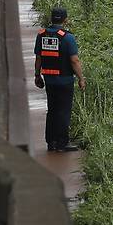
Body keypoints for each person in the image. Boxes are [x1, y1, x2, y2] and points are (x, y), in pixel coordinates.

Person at [34, 8, 86, 152]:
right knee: (63, 111)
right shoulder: (67, 38)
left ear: (51, 19)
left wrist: (37, 75)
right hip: (64, 80)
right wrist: (81, 78)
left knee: (52, 110)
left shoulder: (41, 36)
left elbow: (39, 58)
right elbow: (74, 61)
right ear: (65, 19)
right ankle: (62, 143)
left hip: (49, 80)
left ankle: (51, 142)